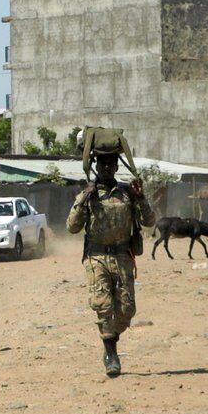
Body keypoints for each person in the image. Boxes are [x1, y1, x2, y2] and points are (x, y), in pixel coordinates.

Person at [66, 152, 155, 377]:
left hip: (123, 256)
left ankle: (111, 337)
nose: (106, 167)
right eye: (102, 164)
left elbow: (150, 221)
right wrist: (84, 198)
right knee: (103, 306)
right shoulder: (89, 194)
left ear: (116, 167)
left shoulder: (127, 193)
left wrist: (141, 197)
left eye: (110, 164)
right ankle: (110, 354)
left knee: (127, 310)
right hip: (96, 257)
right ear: (96, 166)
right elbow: (72, 227)